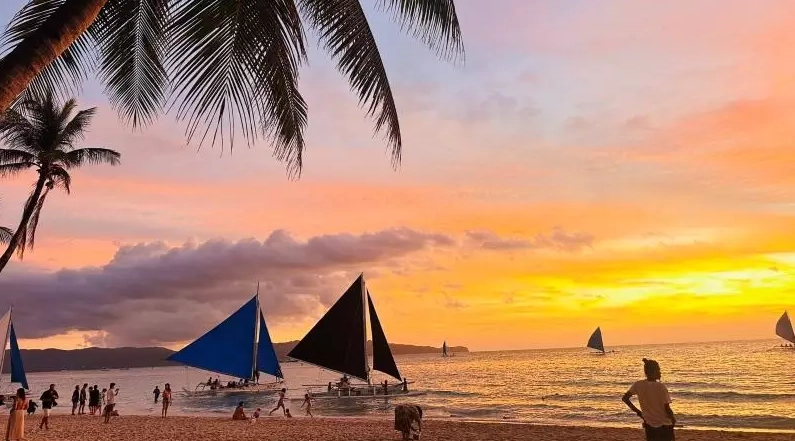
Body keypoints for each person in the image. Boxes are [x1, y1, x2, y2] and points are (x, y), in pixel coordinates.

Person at [623, 358, 676, 441]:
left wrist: (639, 413)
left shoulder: (638, 385)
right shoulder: (660, 386)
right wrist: (673, 419)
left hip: (649, 424)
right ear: (653, 372)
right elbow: (667, 408)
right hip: (664, 424)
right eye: (658, 370)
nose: (660, 372)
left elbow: (625, 398)